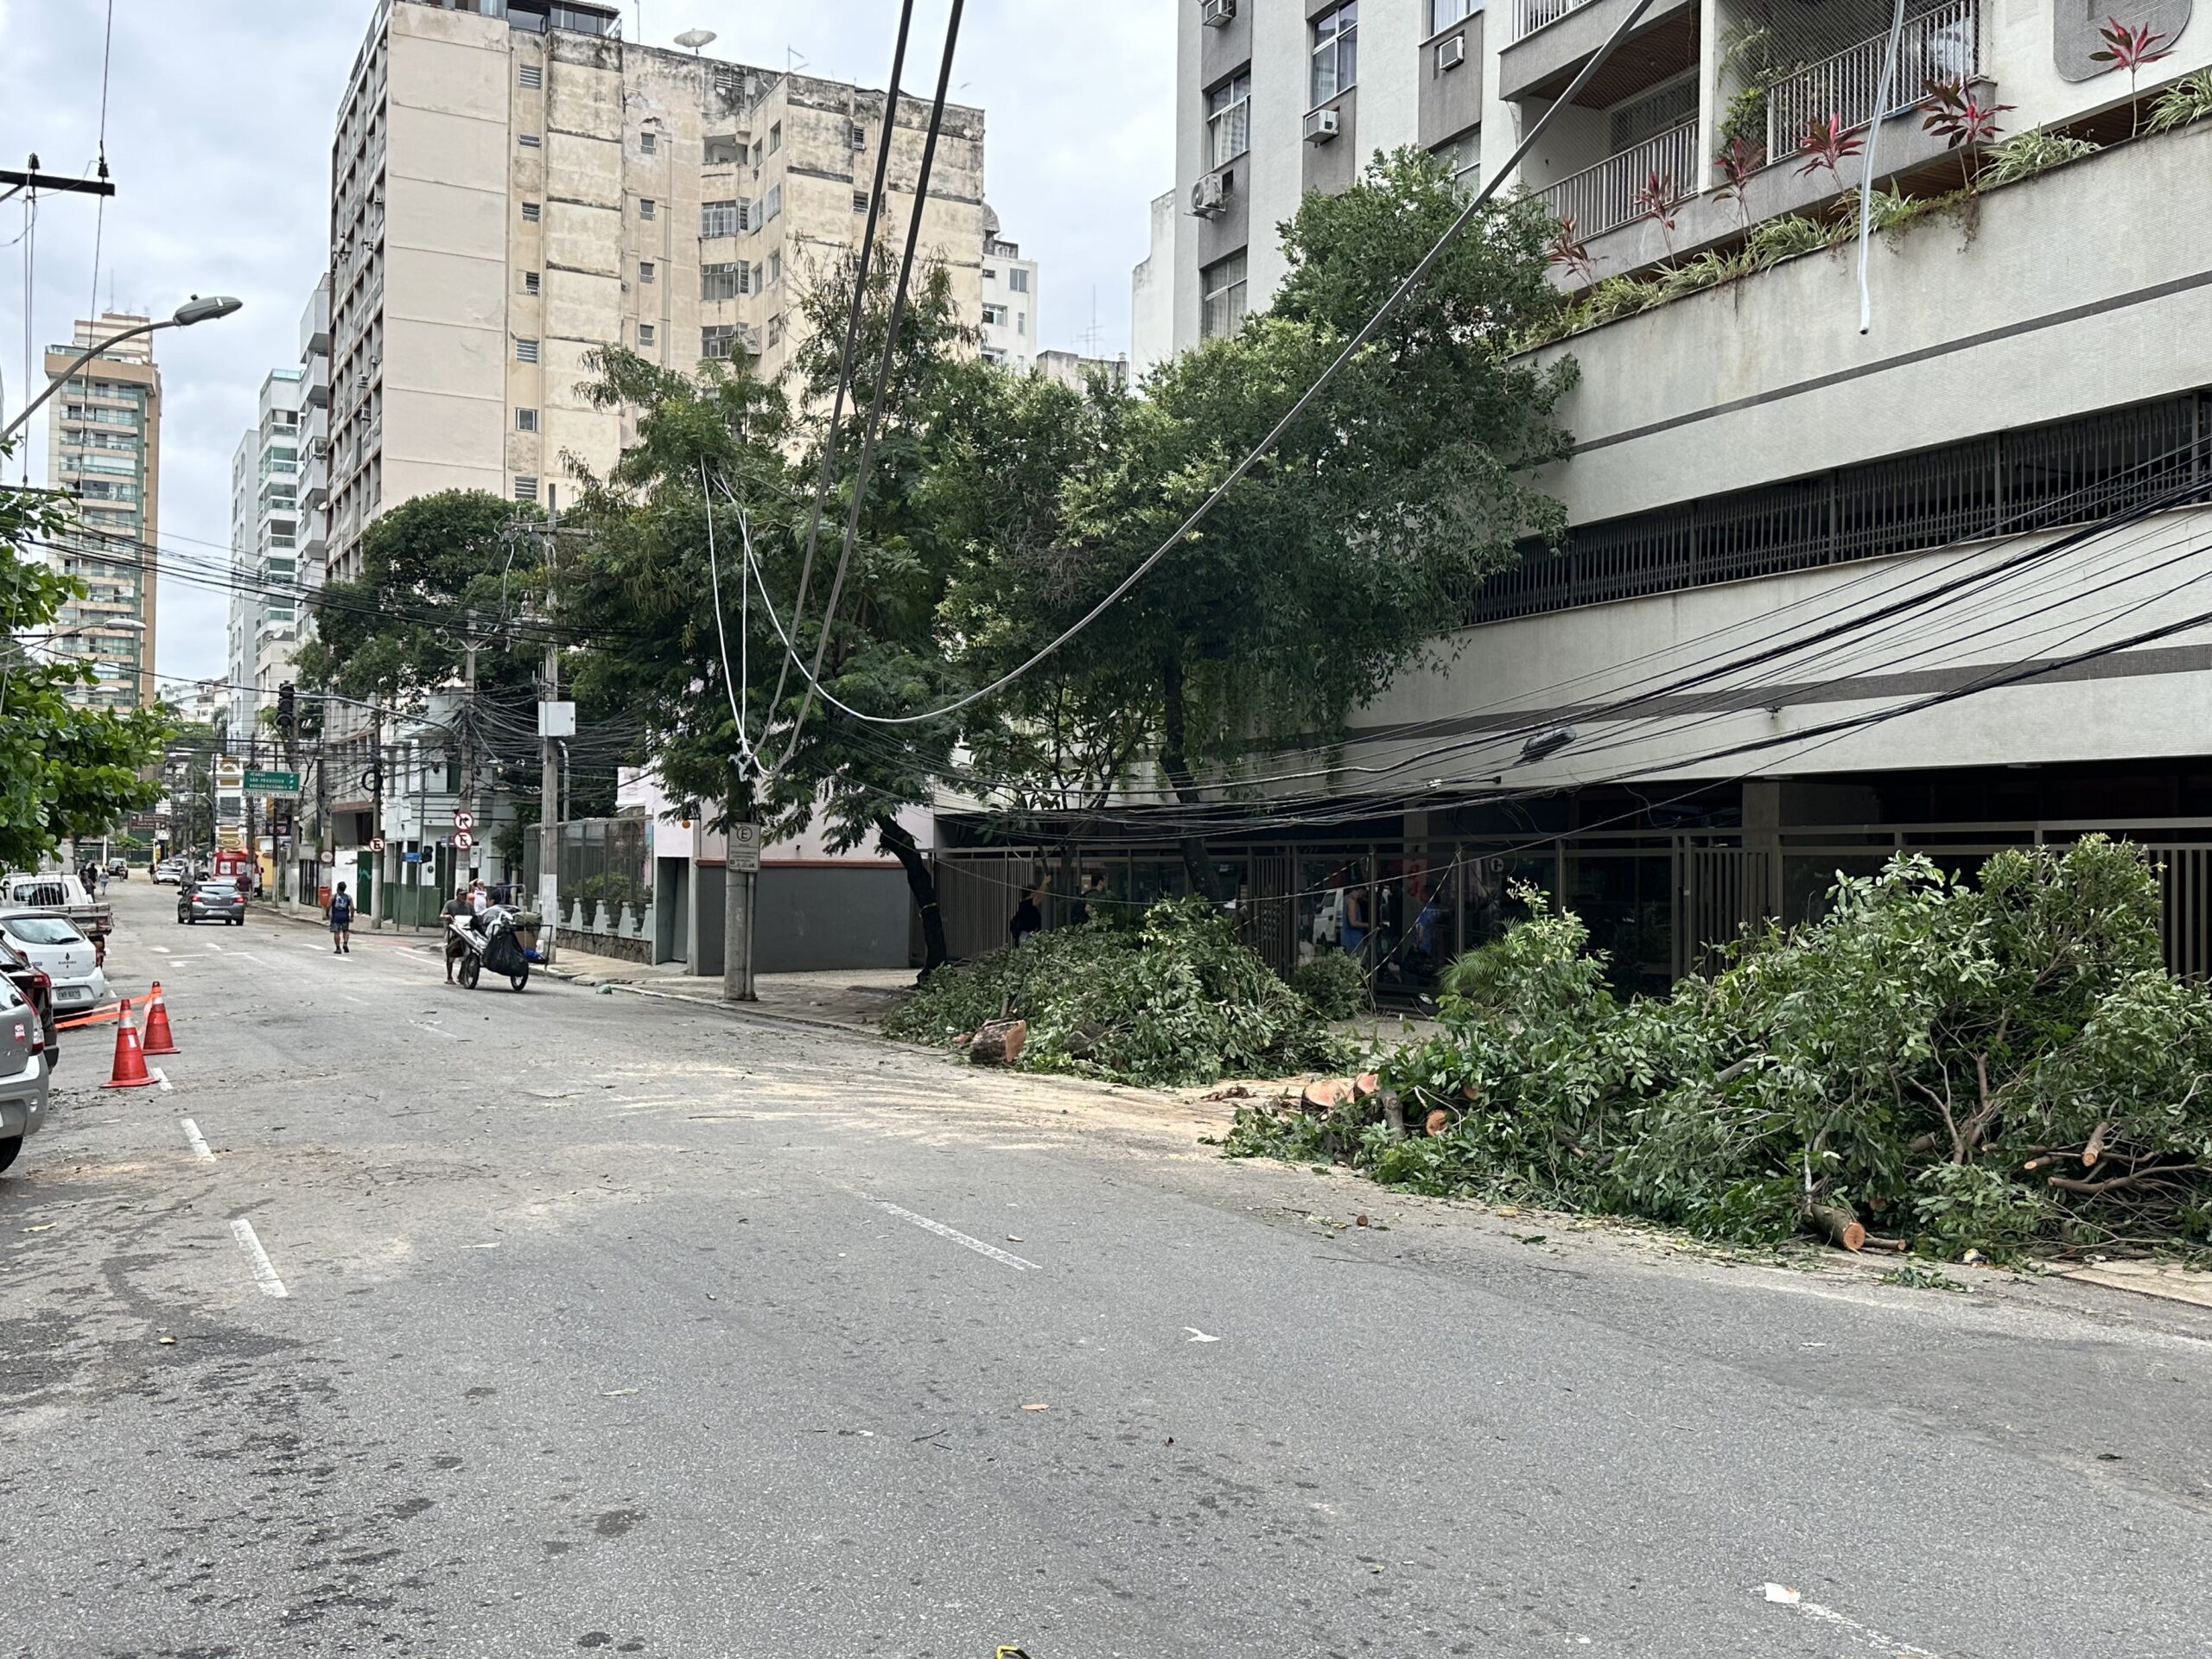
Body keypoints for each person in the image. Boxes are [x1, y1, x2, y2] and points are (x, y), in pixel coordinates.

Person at [441, 885, 474, 982]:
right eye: (462, 895)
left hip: (466, 932)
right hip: (453, 931)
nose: (464, 897)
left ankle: (461, 975)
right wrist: (447, 917)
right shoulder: (450, 904)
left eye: (465, 895)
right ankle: (449, 976)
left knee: (467, 953)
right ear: (457, 895)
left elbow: (474, 917)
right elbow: (442, 915)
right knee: (450, 952)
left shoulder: (469, 906)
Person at [1010, 883, 1044, 947]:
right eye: (1035, 892)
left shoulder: (1025, 904)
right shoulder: (1028, 904)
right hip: (1027, 935)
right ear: (1032, 893)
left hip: (1027, 935)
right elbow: (1040, 896)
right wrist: (1044, 883)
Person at [328, 881, 355, 955]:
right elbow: (352, 907)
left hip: (336, 916)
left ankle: (338, 948)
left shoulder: (334, 896)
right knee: (346, 931)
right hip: (345, 916)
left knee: (337, 932)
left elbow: (328, 906)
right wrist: (352, 916)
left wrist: (327, 914)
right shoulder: (348, 897)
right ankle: (345, 943)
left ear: (338, 888)